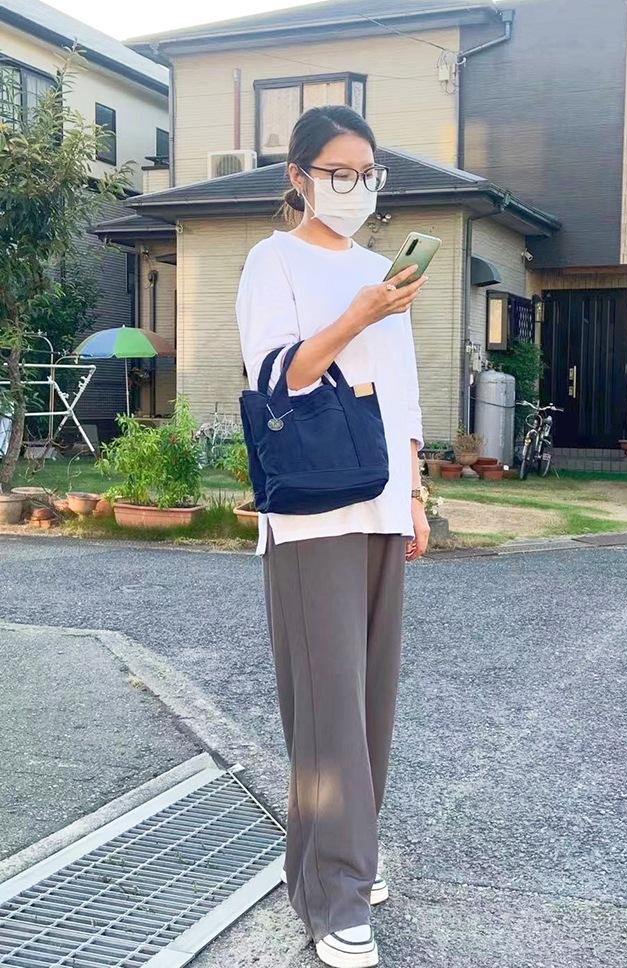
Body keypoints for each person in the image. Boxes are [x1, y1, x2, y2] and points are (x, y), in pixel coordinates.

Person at [235, 104, 429, 968]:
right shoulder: (270, 260)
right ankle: (332, 893)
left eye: (367, 174)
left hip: (380, 499)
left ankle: (351, 855)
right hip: (311, 508)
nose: (355, 188)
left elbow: (405, 391)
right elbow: (278, 378)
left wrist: (415, 495)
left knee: (370, 699)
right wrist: (356, 316)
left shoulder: (384, 270)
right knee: (327, 709)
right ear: (299, 177)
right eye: (338, 173)